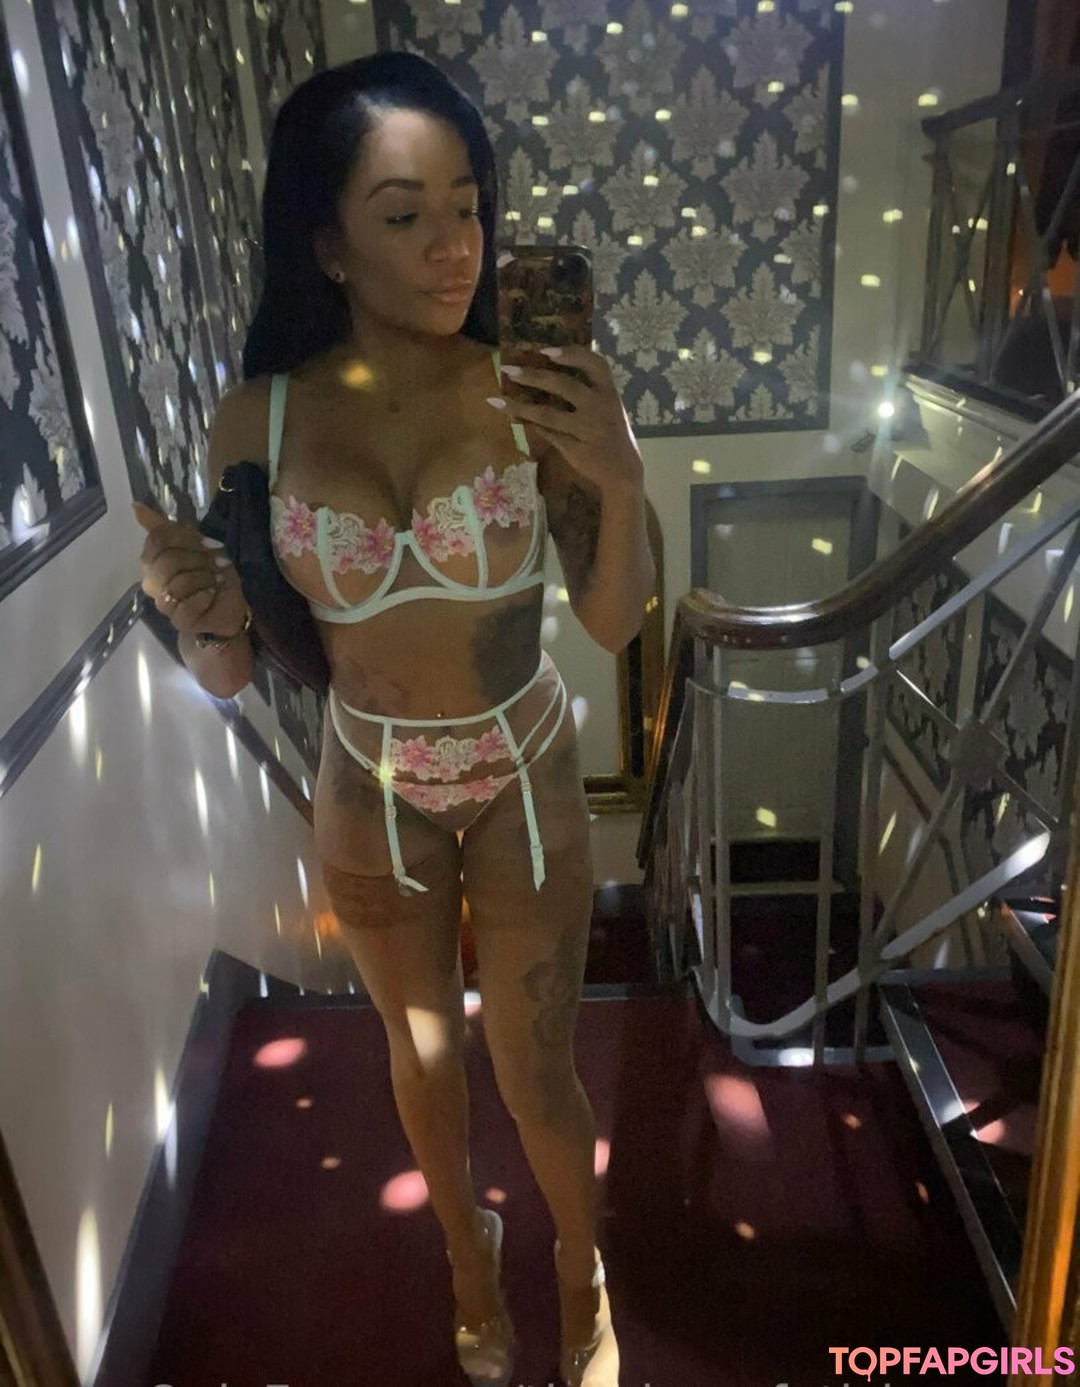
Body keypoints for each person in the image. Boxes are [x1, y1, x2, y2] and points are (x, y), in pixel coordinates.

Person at [135, 51, 654, 1387]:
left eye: (469, 205)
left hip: (524, 769)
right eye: (407, 213)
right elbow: (236, 673)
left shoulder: (528, 389)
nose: (455, 247)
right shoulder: (257, 419)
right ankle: (470, 1262)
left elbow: (613, 622)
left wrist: (619, 476)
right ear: (327, 242)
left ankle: (580, 1274)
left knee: (535, 1068)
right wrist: (200, 611)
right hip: (368, 779)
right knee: (421, 1059)